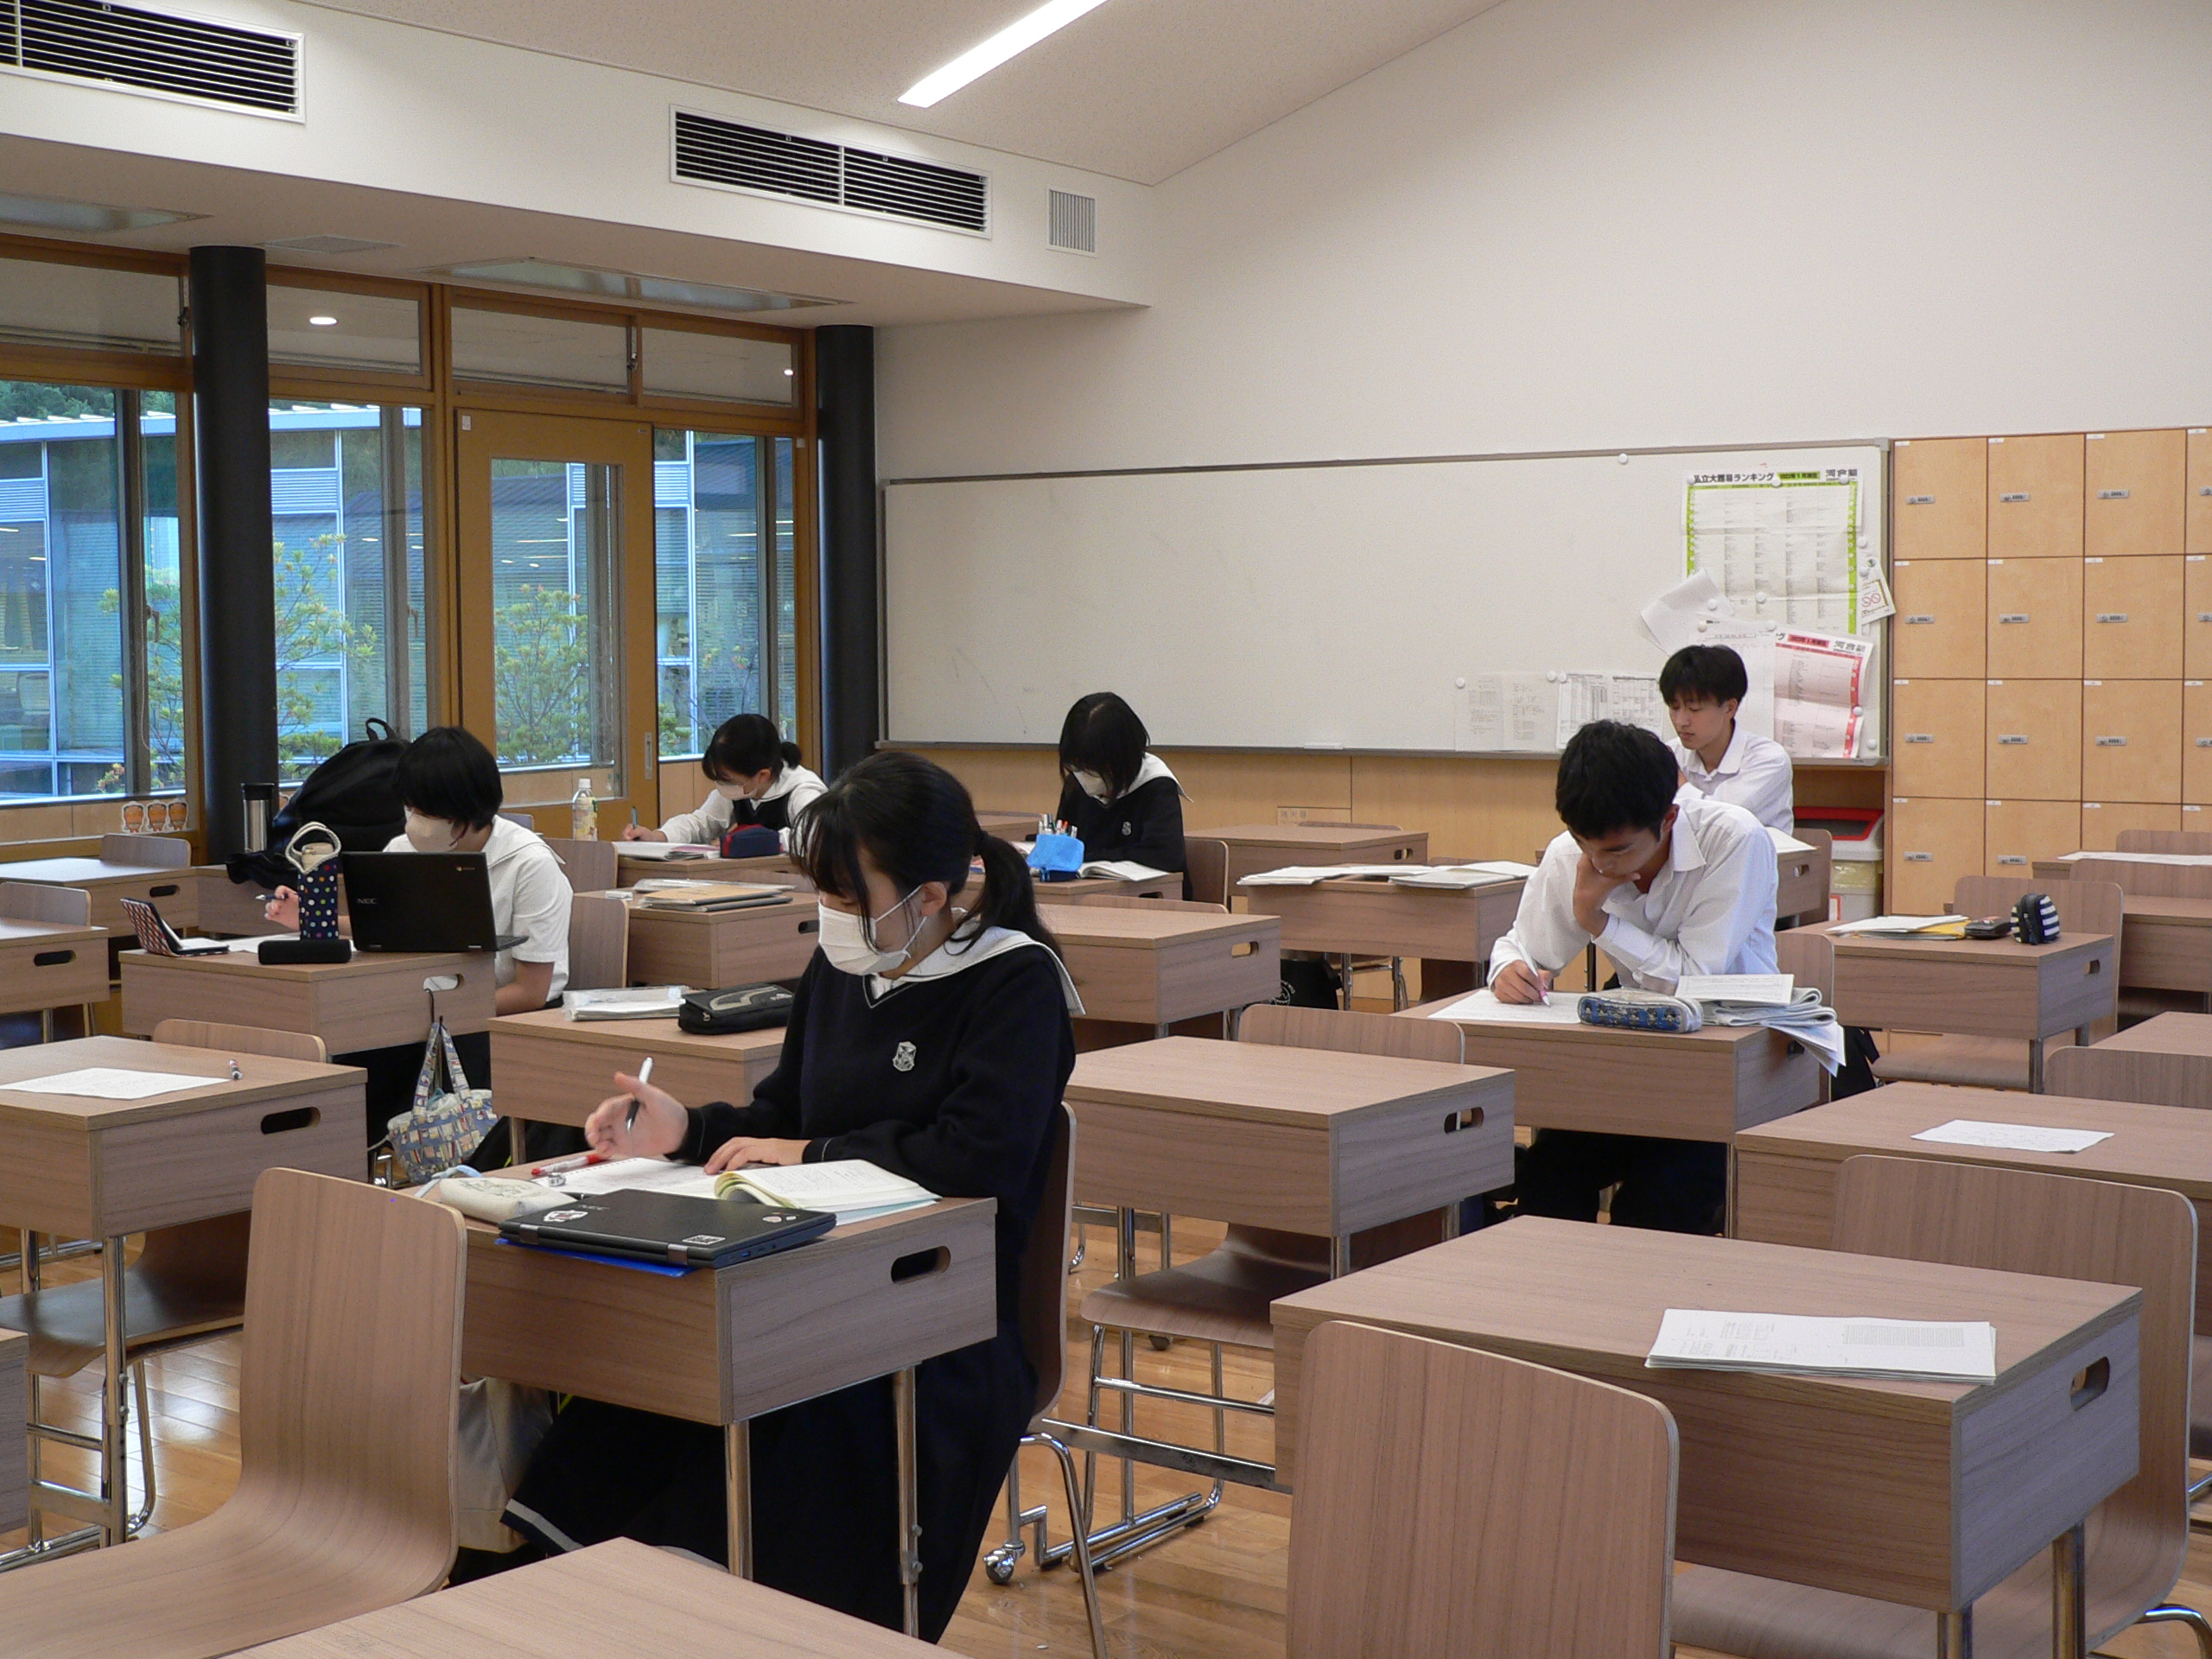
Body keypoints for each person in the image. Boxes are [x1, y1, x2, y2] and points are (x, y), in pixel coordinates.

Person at [496, 750, 1080, 1639]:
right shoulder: (849, 964)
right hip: (800, 1277)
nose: (831, 913)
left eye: (847, 894)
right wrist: (682, 1129)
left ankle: (736, 1627)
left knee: (788, 1423)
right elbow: (779, 1117)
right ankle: (587, 1613)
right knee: (659, 1376)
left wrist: (808, 1151)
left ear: (929, 895)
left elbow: (978, 1160)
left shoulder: (1014, 981)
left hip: (937, 1316)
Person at [1489, 720, 1776, 1233]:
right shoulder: (1576, 852)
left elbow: (1695, 980)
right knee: (1548, 1177)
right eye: (1585, 845)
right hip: (1635, 1060)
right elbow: (1525, 947)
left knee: (1657, 1202)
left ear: (1668, 818)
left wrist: (1598, 922)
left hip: (1731, 1063)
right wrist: (1511, 970)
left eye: (1618, 851)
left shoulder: (1734, 840)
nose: (1599, 863)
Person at [265, 725, 572, 1147]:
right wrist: (315, 918)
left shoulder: (529, 864)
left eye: (428, 812)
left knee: (426, 1053)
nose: (415, 822)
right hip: (424, 1013)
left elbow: (531, 991)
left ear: (467, 813)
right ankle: (342, 1157)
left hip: (500, 1018)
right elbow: (388, 928)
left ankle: (446, 1163)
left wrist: (434, 1018)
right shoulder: (401, 851)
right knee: (353, 1052)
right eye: (410, 807)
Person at [621, 714, 825, 850]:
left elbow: (815, 837)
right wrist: (658, 837)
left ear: (762, 775)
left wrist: (750, 843)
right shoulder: (740, 788)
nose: (722, 787)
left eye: (729, 781)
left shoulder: (803, 790)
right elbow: (701, 823)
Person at [1660, 644, 1795, 832]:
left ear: (1729, 708)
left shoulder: (1769, 759)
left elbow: (1723, 821)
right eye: (1674, 708)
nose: (1680, 721)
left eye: (1694, 709)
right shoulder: (1671, 754)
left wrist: (1679, 783)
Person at [1052, 691, 1186, 873]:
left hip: (1144, 889)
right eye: (1075, 767)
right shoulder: (1075, 784)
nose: (1083, 777)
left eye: (1093, 770)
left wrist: (1091, 857)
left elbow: (1166, 856)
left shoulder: (1156, 785)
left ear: (1122, 758)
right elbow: (1065, 841)